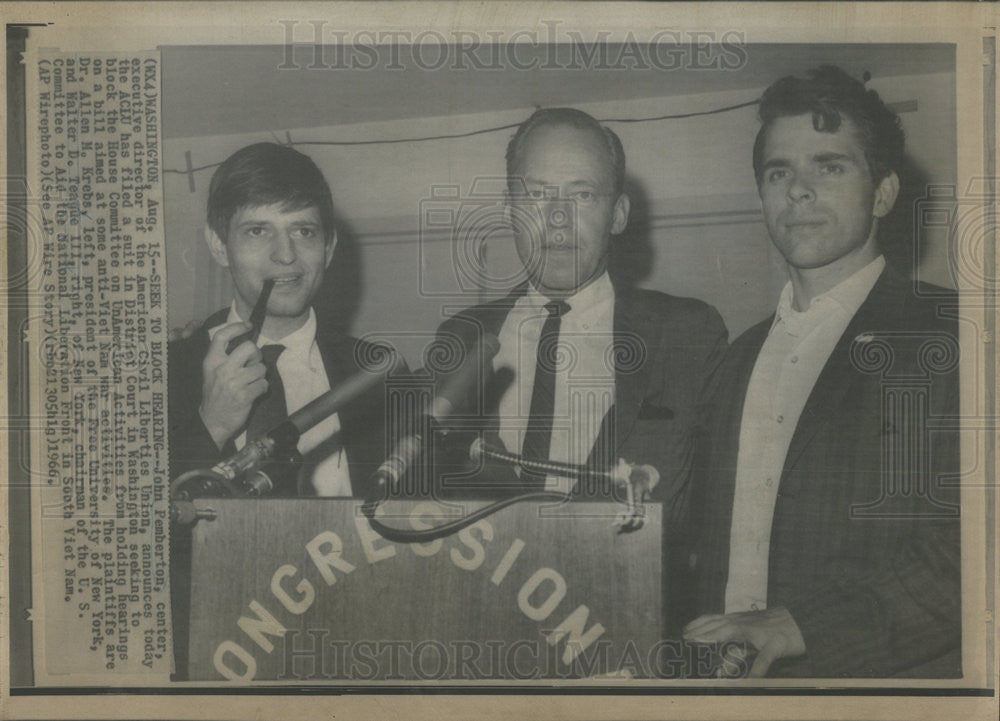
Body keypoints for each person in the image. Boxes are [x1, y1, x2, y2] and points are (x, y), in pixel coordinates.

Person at [683, 66, 961, 678]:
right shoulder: (734, 362)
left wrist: (802, 627)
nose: (798, 191)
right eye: (778, 172)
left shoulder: (957, 336)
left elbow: (976, 551)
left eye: (829, 166)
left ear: (883, 193)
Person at [431, 109, 728, 633]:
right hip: (478, 632)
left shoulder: (686, 334)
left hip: (626, 634)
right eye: (537, 194)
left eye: (583, 195)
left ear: (618, 213)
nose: (559, 219)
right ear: (509, 210)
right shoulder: (461, 340)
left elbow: (706, 517)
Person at [167, 142, 400, 498]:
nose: (286, 255)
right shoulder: (163, 373)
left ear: (329, 247)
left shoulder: (381, 377)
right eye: (257, 231)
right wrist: (211, 425)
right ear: (218, 245)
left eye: (303, 231)